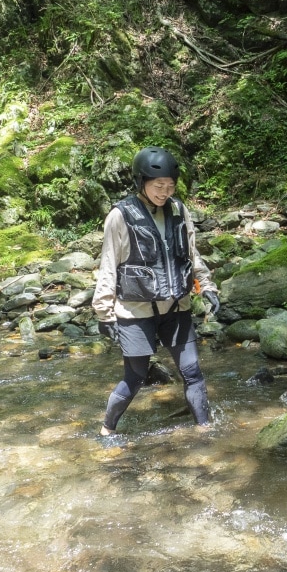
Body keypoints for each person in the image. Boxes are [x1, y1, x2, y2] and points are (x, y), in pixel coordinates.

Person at [92, 146, 220, 435]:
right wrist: (104, 313)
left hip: (177, 308)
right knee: (135, 377)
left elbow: (191, 254)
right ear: (141, 182)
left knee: (192, 373)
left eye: (170, 186)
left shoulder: (179, 210)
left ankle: (205, 432)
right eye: (158, 185)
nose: (164, 192)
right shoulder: (120, 216)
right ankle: (107, 430)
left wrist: (207, 286)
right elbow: (109, 264)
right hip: (135, 310)